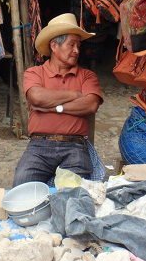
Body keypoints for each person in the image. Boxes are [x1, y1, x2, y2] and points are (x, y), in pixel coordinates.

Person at [13, 13, 103, 186]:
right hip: (39, 146)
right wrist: (73, 95)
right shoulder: (34, 73)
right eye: (71, 45)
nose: (77, 50)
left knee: (72, 195)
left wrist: (53, 107)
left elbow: (91, 104)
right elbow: (36, 97)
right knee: (22, 187)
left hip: (74, 147)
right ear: (54, 46)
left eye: (78, 45)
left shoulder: (87, 76)